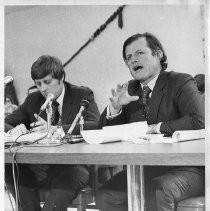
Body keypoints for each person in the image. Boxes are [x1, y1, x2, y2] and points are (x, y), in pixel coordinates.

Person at [95, 32, 205, 211]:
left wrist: (157, 128)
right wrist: (115, 109)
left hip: (187, 169)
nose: (133, 60)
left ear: (158, 54)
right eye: (128, 57)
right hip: (142, 169)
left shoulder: (180, 81)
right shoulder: (129, 89)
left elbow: (199, 120)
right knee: (105, 195)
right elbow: (105, 134)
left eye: (140, 53)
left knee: (155, 191)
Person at [5, 55, 100, 211]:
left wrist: (57, 129)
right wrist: (15, 132)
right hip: (39, 166)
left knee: (69, 178)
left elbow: (95, 124)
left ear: (61, 77)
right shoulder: (33, 99)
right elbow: (5, 123)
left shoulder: (81, 94)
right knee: (11, 171)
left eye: (47, 82)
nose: (42, 89)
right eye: (38, 84)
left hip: (72, 166)